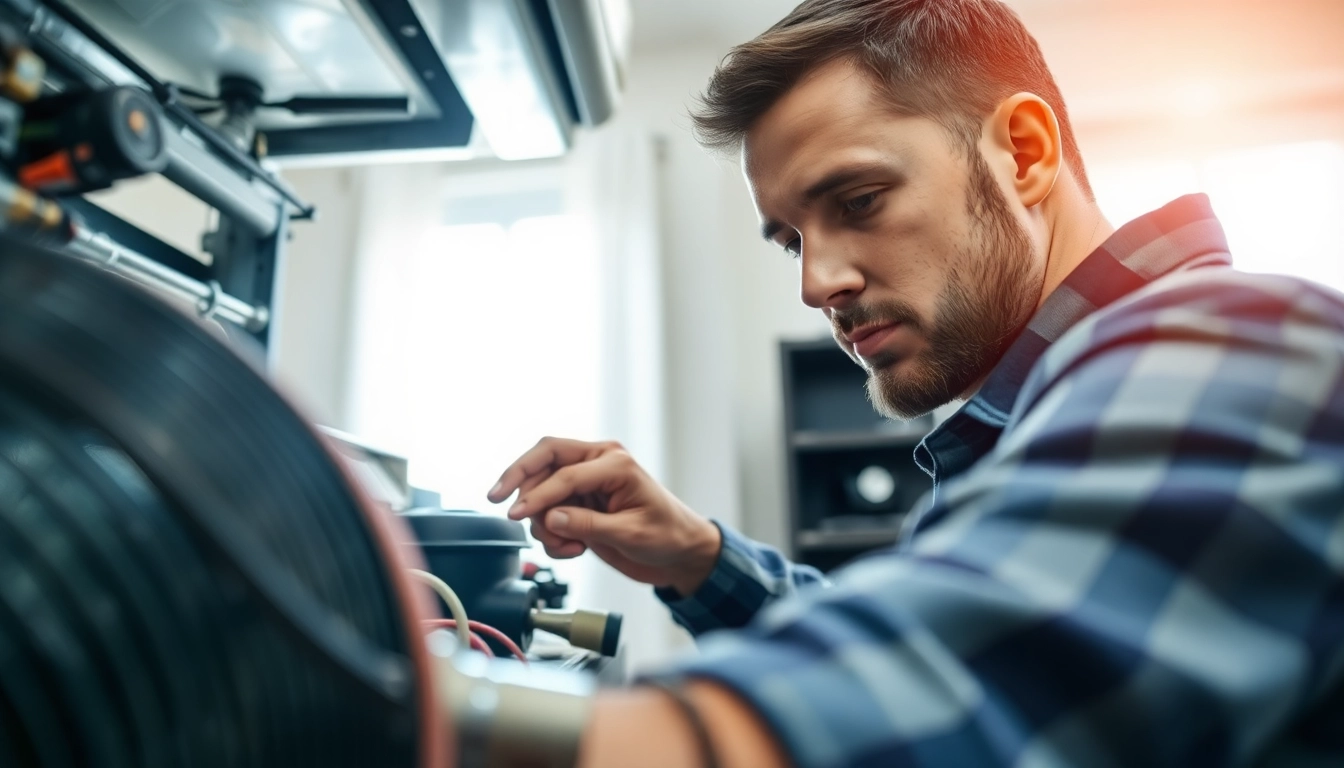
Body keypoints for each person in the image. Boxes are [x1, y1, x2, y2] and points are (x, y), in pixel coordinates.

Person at [488, 1, 1344, 765]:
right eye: (791, 240)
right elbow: (961, 637)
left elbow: (951, 700)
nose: (816, 284)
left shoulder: (1235, 344)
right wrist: (701, 557)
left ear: (1025, 152)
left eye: (858, 201)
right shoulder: (1030, 416)